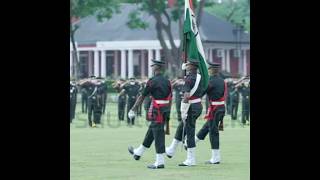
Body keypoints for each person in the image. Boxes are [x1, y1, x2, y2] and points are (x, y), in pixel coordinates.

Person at [127, 59, 172, 169]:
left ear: (156, 67)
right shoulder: (167, 81)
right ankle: (138, 152)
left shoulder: (152, 81)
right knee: (152, 131)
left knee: (158, 134)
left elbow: (142, 96)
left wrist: (133, 109)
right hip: (165, 109)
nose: (151, 67)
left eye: (152, 66)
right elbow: (170, 97)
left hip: (157, 109)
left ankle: (160, 162)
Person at [165, 59, 205, 166]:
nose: (186, 66)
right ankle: (171, 149)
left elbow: (186, 96)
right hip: (197, 105)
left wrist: (183, 110)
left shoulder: (189, 79)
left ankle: (191, 159)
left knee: (189, 132)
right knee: (181, 127)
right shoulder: (199, 76)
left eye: (188, 64)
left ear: (192, 66)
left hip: (190, 106)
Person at [194, 62, 226, 164]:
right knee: (207, 127)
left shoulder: (210, 81)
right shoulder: (222, 81)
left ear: (211, 69)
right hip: (221, 107)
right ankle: (193, 141)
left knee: (213, 132)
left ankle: (216, 158)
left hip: (215, 108)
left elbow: (201, 93)